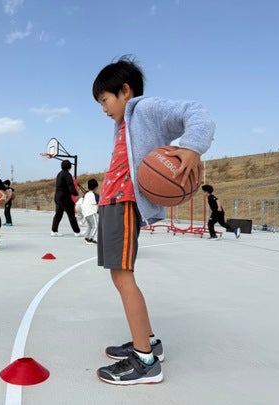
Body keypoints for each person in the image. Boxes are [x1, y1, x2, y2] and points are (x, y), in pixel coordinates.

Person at [92, 56, 215, 385]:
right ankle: (148, 342)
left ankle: (145, 361)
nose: (103, 108)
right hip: (113, 202)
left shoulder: (144, 109)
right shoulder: (124, 124)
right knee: (119, 276)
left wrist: (191, 147)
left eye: (104, 100)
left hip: (124, 202)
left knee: (123, 278)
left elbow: (196, 111)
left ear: (125, 91)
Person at [51, 159, 82, 236]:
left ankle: (54, 231)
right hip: (65, 198)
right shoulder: (67, 174)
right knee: (71, 214)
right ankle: (77, 232)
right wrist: (75, 193)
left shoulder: (59, 174)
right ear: (69, 167)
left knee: (58, 214)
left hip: (57, 197)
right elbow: (70, 185)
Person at [82, 178, 99, 244]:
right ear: (96, 187)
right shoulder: (95, 195)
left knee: (90, 226)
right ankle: (90, 239)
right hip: (91, 212)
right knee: (95, 226)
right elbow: (99, 202)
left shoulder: (86, 194)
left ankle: (86, 237)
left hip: (85, 213)